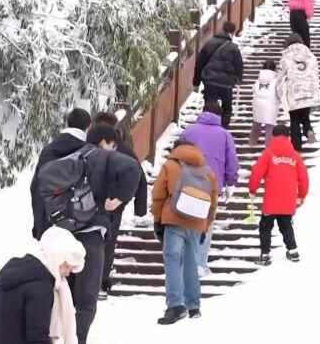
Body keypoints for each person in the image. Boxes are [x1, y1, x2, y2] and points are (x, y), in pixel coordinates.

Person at [62, 124, 142, 343]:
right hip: (92, 234)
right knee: (87, 300)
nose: (114, 149)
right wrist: (119, 198)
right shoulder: (105, 158)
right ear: (103, 142)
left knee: (65, 295)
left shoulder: (71, 157)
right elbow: (133, 168)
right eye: (112, 144)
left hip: (65, 233)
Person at [151, 142, 219, 325]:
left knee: (173, 260)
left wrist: (157, 219)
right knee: (191, 262)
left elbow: (158, 194)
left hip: (174, 219)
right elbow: (213, 202)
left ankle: (175, 305)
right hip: (196, 223)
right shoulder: (207, 171)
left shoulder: (170, 165)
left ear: (176, 149)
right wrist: (206, 225)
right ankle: (193, 305)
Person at [0, 226, 86, 344]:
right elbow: (37, 337)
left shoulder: (19, 271)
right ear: (55, 258)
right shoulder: (41, 287)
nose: (67, 274)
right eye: (66, 266)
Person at [90, 112, 149, 297]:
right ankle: (101, 281)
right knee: (107, 244)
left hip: (98, 203)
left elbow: (139, 176)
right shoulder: (124, 150)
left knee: (97, 243)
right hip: (114, 205)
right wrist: (139, 207)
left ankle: (95, 281)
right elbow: (140, 177)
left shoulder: (89, 148)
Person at [178, 100, 238, 278]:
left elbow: (177, 155)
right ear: (219, 115)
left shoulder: (189, 131)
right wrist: (230, 182)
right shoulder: (224, 135)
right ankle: (199, 263)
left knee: (187, 222)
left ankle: (185, 261)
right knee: (206, 225)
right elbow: (232, 161)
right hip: (211, 186)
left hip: (188, 183)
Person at [248, 124, 309, 266]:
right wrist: (301, 195)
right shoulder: (295, 156)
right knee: (286, 225)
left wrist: (252, 189)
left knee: (265, 226)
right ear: (288, 137)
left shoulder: (268, 154)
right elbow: (304, 178)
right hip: (288, 199)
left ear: (273, 136)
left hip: (271, 199)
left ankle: (265, 254)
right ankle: (293, 251)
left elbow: (257, 172)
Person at [31, 108, 92, 240]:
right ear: (89, 126)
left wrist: (39, 226)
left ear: (68, 123)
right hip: (82, 225)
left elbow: (36, 187)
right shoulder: (88, 151)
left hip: (50, 225)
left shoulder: (48, 150)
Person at [193, 20, 244, 129]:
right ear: (232, 32)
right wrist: (238, 79)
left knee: (209, 106)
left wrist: (196, 83)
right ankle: (223, 129)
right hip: (226, 83)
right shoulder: (233, 48)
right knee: (227, 108)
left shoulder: (209, 44)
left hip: (210, 81)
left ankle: (206, 128)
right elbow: (238, 65)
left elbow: (199, 63)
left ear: (222, 29)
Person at [277, 34, 320, 150]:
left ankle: (297, 146)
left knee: (294, 119)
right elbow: (315, 73)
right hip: (308, 91)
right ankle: (308, 130)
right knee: (305, 116)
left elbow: (281, 76)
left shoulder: (286, 57)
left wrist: (279, 92)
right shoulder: (310, 55)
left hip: (294, 92)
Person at [251, 60, 281, 146]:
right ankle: (268, 144)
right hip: (271, 104)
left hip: (258, 103)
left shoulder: (259, 79)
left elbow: (254, 90)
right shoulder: (276, 80)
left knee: (257, 123)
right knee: (269, 125)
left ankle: (252, 142)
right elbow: (279, 92)